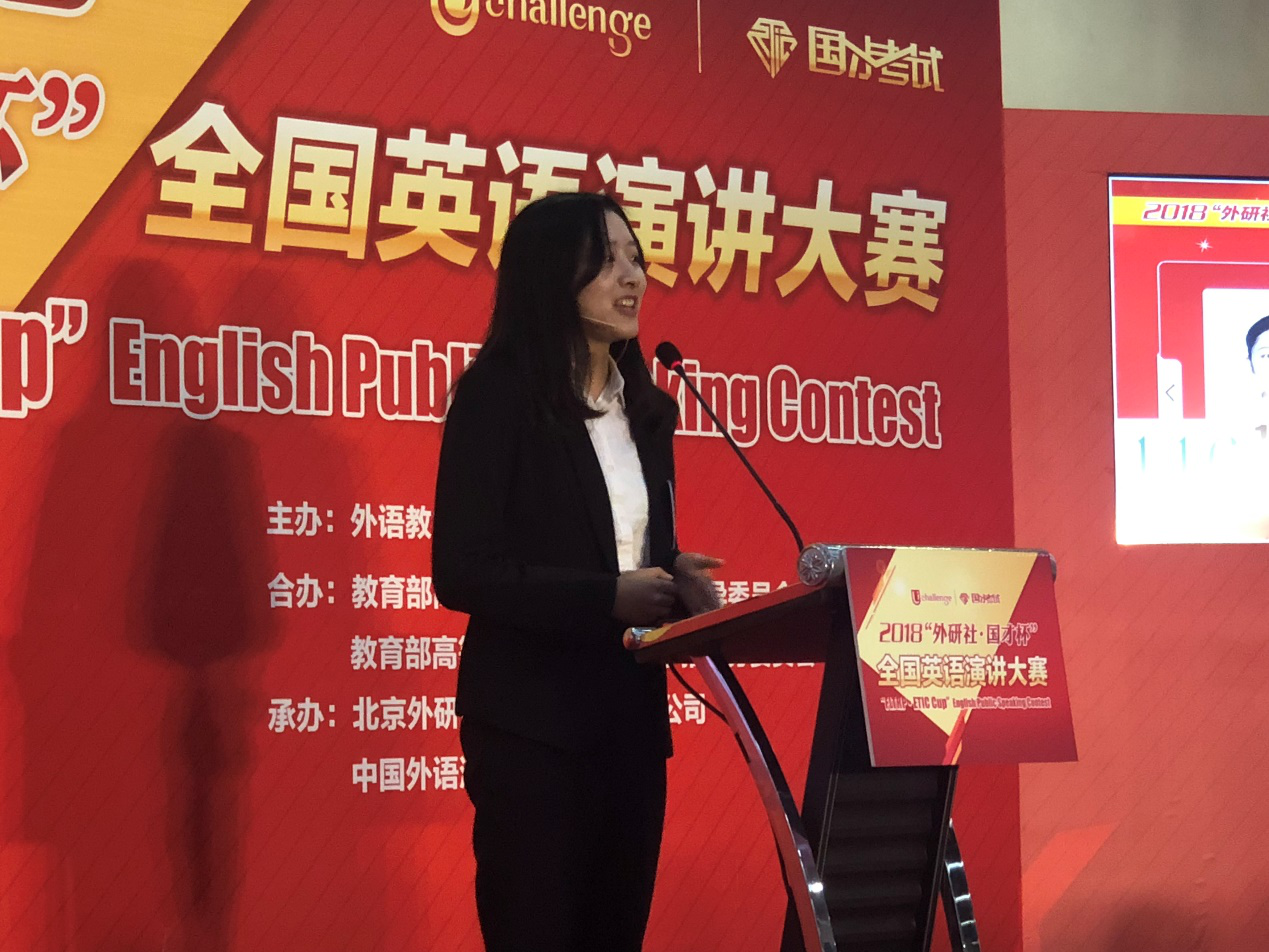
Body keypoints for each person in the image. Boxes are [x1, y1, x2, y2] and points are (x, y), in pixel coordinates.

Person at [432, 191, 721, 952]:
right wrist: (607, 598)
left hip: (629, 720)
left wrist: (672, 574)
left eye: (636, 259)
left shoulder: (648, 412)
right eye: (606, 260)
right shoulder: (498, 396)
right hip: (532, 725)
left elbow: (619, 547)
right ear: (550, 275)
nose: (632, 278)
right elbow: (462, 571)